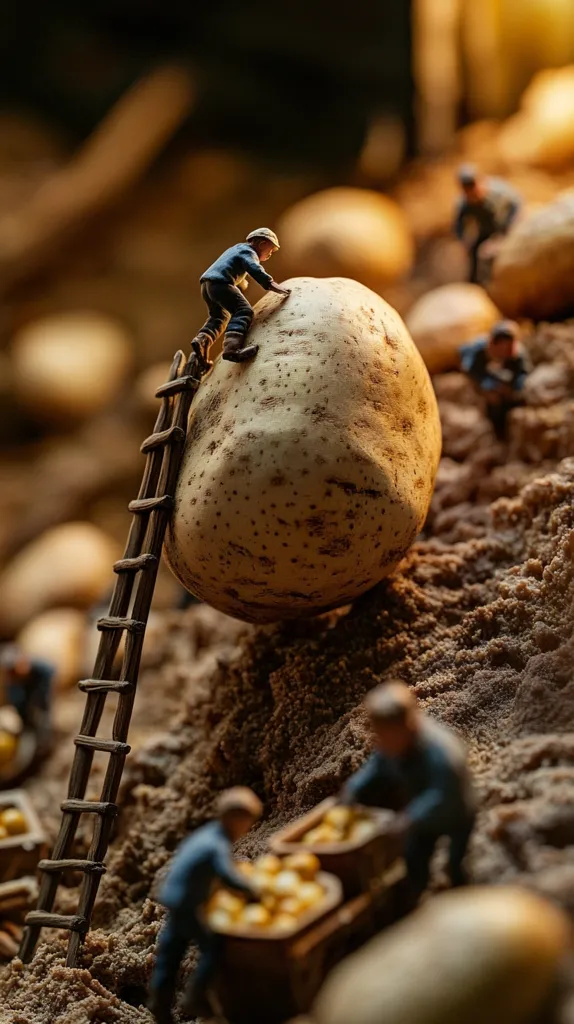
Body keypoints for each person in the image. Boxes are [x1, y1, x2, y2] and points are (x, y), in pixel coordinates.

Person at [341, 681, 476, 900]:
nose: (382, 741)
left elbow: (444, 794)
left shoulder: (440, 751)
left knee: (457, 861)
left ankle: (461, 894)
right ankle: (417, 894)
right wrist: (353, 789)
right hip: (421, 816)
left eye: (387, 734)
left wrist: (411, 817)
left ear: (408, 724)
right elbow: (377, 765)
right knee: (414, 856)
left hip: (456, 811)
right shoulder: (393, 745)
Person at [148, 786, 263, 1024]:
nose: (247, 828)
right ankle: (196, 997)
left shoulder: (206, 833)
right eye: (247, 822)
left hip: (175, 896)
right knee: (213, 947)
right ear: (234, 819)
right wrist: (252, 891)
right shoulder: (216, 844)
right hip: (186, 902)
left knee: (171, 952)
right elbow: (227, 875)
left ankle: (159, 1005)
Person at [192, 228, 290, 367]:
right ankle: (232, 349)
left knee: (219, 317)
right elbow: (254, 268)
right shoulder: (249, 252)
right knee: (244, 311)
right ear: (262, 244)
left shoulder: (237, 248)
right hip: (221, 283)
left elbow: (229, 266)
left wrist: (242, 283)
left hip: (207, 285)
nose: (270, 254)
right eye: (271, 250)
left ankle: (202, 340)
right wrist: (271, 284)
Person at [459, 320, 529, 439]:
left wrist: (512, 388)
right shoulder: (478, 350)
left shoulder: (518, 355)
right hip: (485, 383)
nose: (503, 350)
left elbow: (522, 374)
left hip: (504, 383)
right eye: (500, 345)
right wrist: (488, 387)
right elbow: (470, 369)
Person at [453, 165, 521, 283]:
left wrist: (509, 228)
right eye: (467, 189)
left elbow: (516, 203)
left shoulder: (498, 191)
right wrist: (463, 242)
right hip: (486, 230)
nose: (472, 192)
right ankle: (476, 284)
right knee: (476, 253)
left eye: (473, 186)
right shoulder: (464, 203)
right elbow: (459, 224)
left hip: (506, 226)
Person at [0, 645, 54, 754]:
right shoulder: (13, 683)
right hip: (24, 691)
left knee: (42, 714)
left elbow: (49, 676)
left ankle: (44, 743)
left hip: (37, 690)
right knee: (23, 711)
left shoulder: (41, 669)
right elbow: (15, 698)